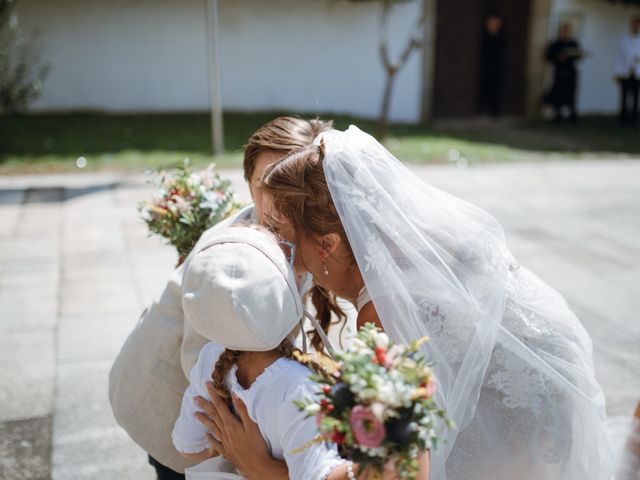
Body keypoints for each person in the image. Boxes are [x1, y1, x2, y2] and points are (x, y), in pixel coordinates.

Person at [217, 125, 609, 479]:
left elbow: (400, 471)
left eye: (280, 232)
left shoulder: (382, 319)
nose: (275, 245)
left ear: (327, 244)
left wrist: (263, 469)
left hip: (510, 433)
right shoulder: (419, 250)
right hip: (547, 401)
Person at [108, 117, 333, 480]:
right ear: (248, 185)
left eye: (290, 186)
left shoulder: (297, 234)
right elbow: (212, 372)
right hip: (171, 404)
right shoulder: (230, 267)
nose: (278, 203)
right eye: (265, 185)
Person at [172, 226, 428, 479]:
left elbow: (188, 446)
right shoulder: (299, 386)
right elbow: (316, 475)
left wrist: (234, 452)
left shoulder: (210, 356)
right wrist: (369, 469)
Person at [544, 23, 583, 122]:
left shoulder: (573, 43)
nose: (566, 33)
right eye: (564, 31)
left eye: (567, 31)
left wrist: (571, 56)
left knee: (571, 93)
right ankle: (557, 115)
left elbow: (578, 55)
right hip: (559, 71)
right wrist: (558, 57)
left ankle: (572, 114)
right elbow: (548, 56)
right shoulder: (556, 44)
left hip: (570, 71)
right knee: (558, 93)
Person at [478, 12, 506, 117]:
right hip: (484, 66)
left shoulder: (501, 36)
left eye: (496, 23)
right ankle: (481, 109)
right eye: (491, 22)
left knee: (496, 88)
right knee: (484, 87)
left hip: (497, 66)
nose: (493, 25)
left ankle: (494, 111)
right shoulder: (483, 35)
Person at [614, 15, 640, 126]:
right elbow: (619, 56)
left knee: (635, 97)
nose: (635, 26)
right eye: (633, 24)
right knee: (624, 96)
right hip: (626, 71)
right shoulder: (624, 39)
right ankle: (624, 119)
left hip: (638, 71)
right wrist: (617, 72)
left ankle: (634, 119)